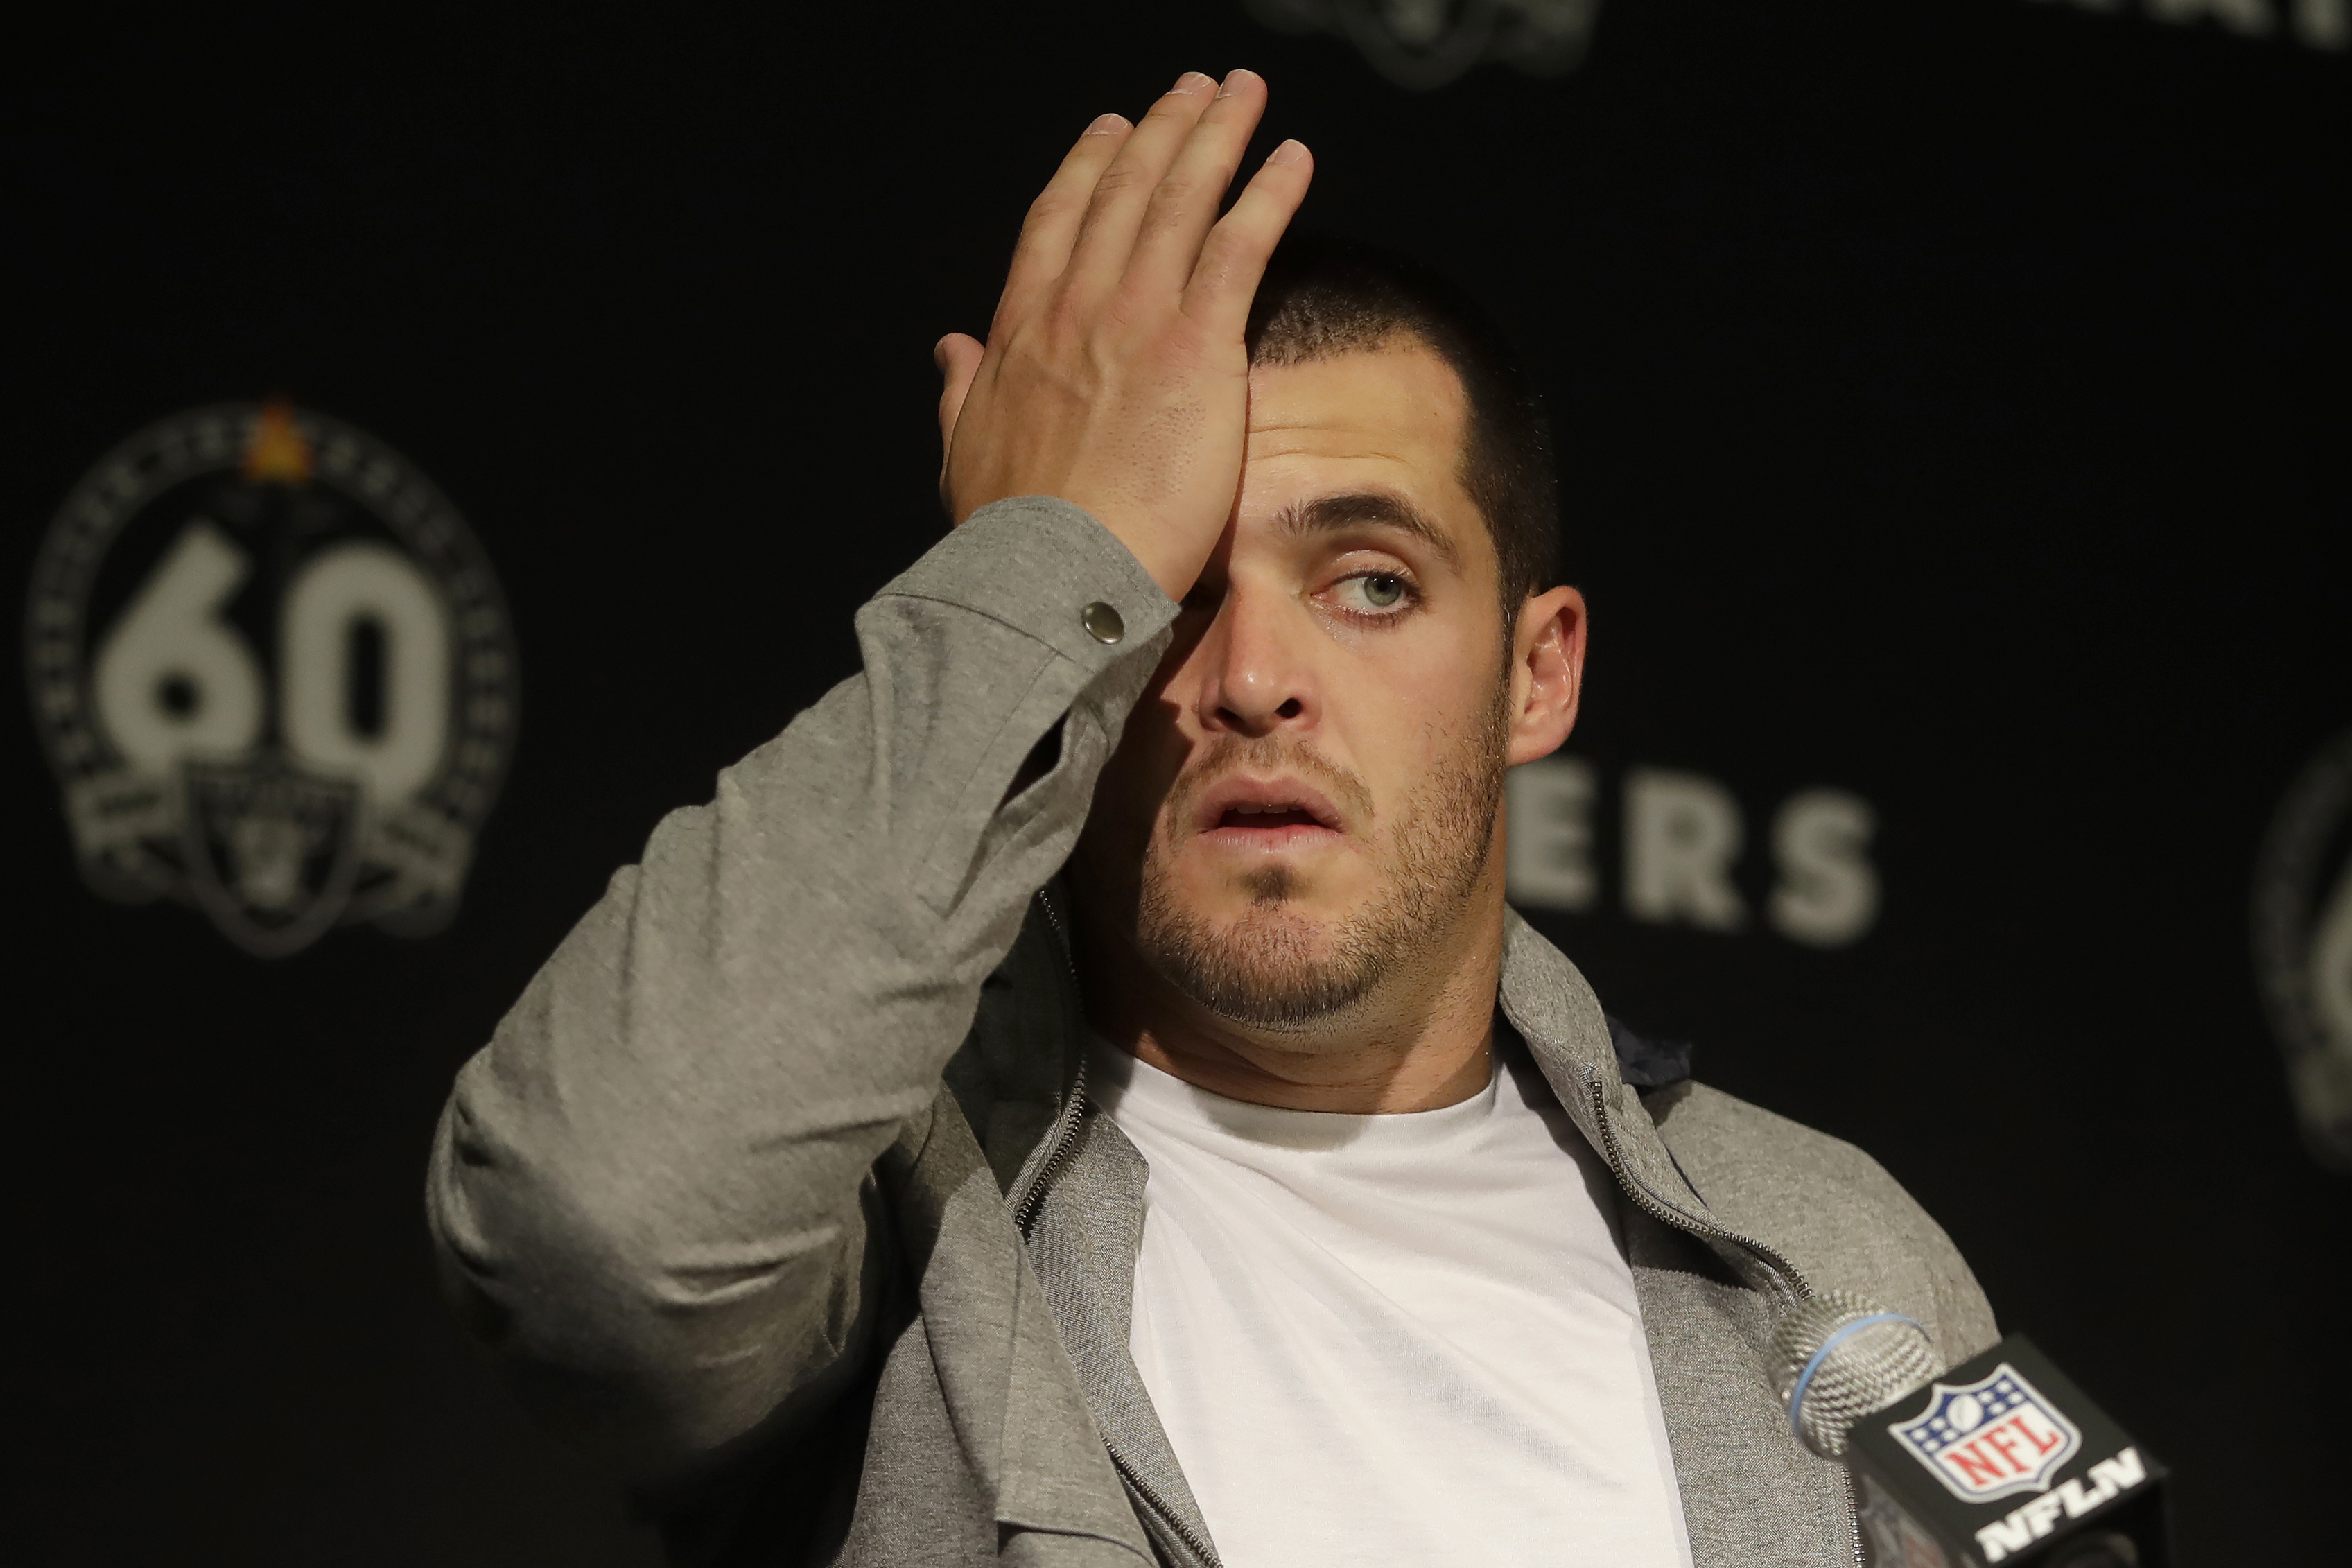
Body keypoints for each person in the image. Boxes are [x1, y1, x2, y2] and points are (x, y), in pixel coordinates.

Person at [427, 68, 1994, 1568]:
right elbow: (596, 1232)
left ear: (1536, 672)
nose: (1251, 679)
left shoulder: (1827, 1252)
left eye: (1368, 584)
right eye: (1162, 597)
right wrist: (1044, 556)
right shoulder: (891, 1205)